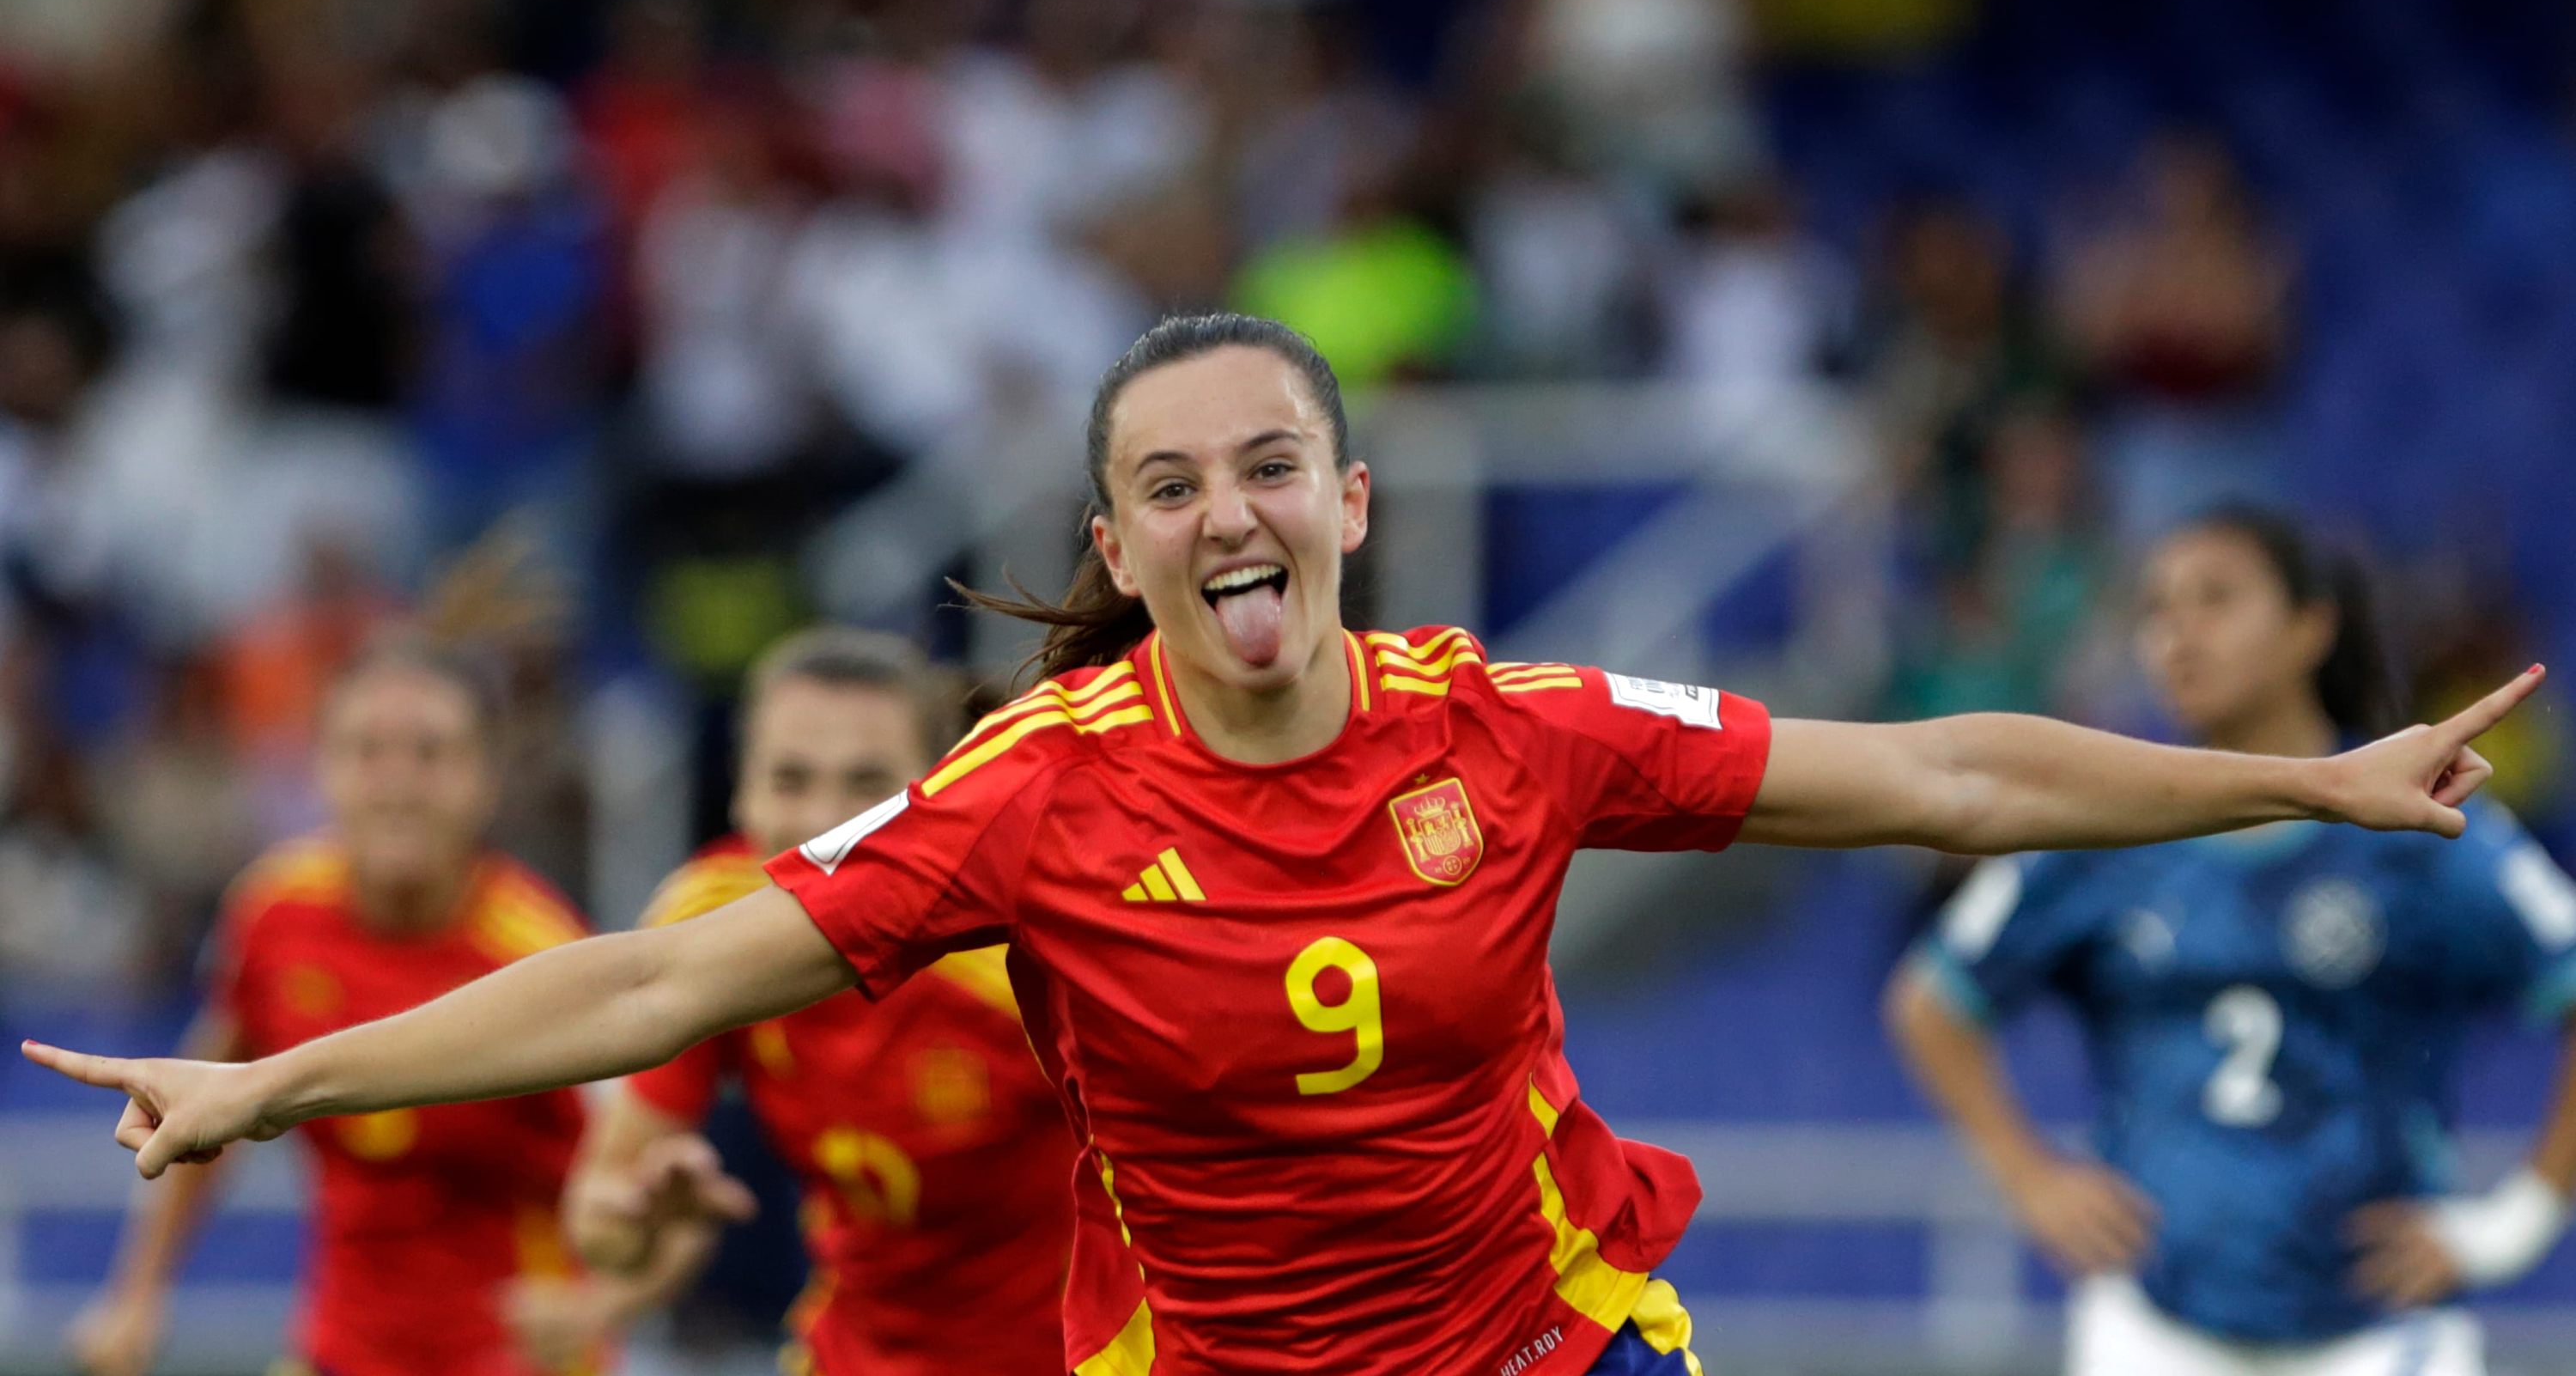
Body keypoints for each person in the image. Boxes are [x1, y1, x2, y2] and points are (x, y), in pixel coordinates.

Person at [23, 314, 2540, 1376]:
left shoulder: (1520, 731)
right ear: (1116, 551)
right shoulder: (1033, 792)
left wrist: (2309, 779)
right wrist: (277, 1083)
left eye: (1262, 463)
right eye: (1161, 485)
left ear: (1343, 499)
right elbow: (653, 988)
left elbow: (1951, 773)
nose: (1221, 509)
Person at [1885, 508, 2576, 1376]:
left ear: (2311, 625)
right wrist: (2029, 1175)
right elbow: (1932, 1000)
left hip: (2381, 1334)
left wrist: (2519, 1218)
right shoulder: (2102, 825)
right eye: (2156, 607)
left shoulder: (2414, 823)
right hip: (2154, 1326)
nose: (2178, 631)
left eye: (2216, 596)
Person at [61, 635, 673, 1376]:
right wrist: (138, 1295)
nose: (397, 783)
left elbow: (663, 1184)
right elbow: (197, 1111)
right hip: (335, 1349)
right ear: (322, 770)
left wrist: (601, 1308)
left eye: (430, 754)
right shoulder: (273, 914)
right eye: (367, 751)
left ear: (487, 778)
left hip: (516, 1360)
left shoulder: (543, 954)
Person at [561, 627, 1076, 1374]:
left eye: (868, 784)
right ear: (741, 790)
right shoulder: (710, 919)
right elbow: (598, 1220)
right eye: (790, 780)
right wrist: (635, 1219)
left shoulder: (1019, 960)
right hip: (848, 1353)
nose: (824, 826)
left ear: (949, 793)